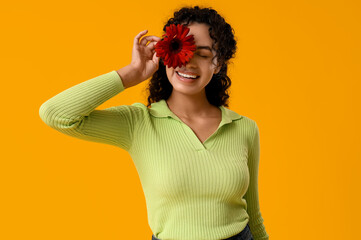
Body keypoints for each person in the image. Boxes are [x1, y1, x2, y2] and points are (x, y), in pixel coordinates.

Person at [39, 5, 269, 240]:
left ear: (218, 64)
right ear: (165, 52)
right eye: (180, 49)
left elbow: (254, 214)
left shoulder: (244, 128)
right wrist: (131, 73)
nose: (188, 62)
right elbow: (57, 114)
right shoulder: (139, 123)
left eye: (203, 54)